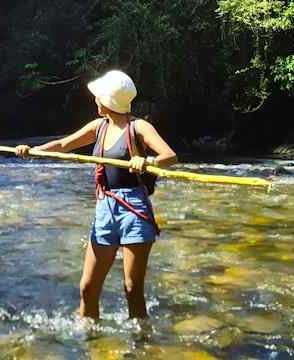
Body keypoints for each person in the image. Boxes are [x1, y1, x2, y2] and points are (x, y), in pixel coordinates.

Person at [15, 70, 176, 320]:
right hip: (105, 207)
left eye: (98, 97)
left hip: (134, 209)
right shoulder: (98, 126)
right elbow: (63, 145)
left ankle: (141, 346)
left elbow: (170, 156)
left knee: (132, 289)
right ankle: (90, 342)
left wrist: (146, 160)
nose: (95, 101)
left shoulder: (139, 127)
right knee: (87, 288)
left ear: (108, 100)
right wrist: (33, 150)